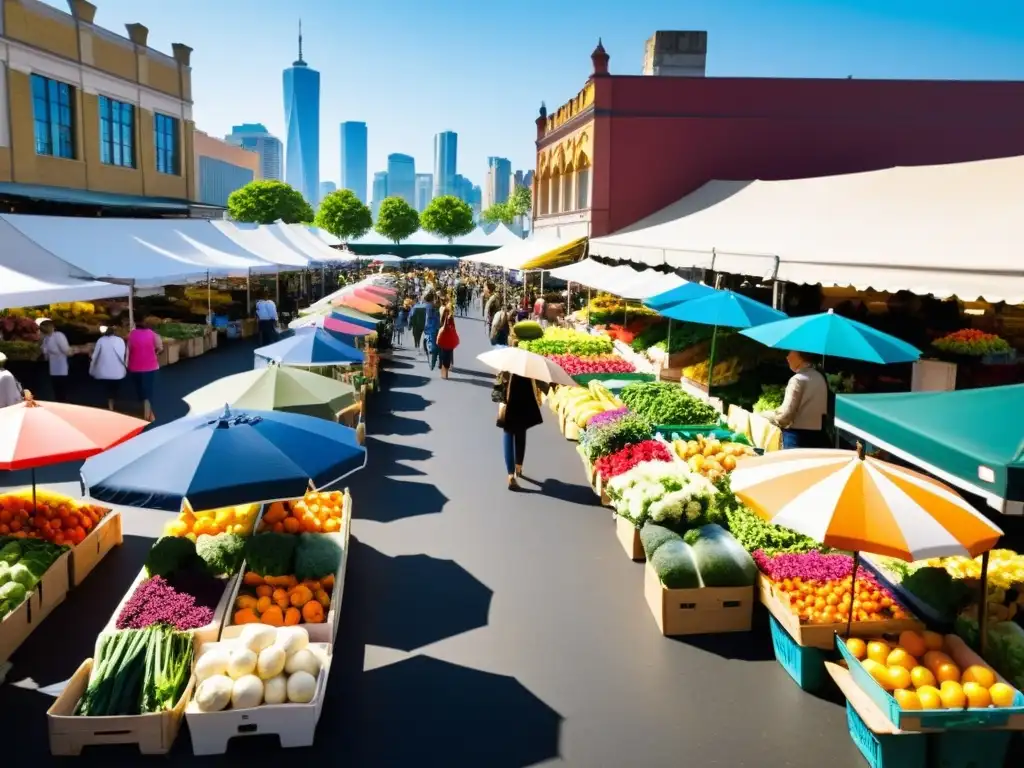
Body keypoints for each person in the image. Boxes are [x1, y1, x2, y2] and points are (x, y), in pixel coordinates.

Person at [764, 349, 829, 449]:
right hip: (819, 437)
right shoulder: (820, 376)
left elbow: (785, 416)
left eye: (790, 352)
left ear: (800, 356)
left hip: (797, 439)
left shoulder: (797, 379)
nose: (787, 357)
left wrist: (766, 416)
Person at [493, 371, 543, 490]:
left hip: (509, 394)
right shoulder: (528, 361)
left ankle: (511, 475)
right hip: (525, 395)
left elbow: (500, 376)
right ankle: (518, 467)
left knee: (508, 432)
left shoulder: (508, 359)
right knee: (521, 429)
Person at [127, 320, 163, 422]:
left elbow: (129, 348)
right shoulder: (153, 334)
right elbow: (160, 348)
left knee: (140, 388)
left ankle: (147, 412)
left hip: (134, 366)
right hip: (150, 365)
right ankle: (148, 414)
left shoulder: (131, 334)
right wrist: (155, 353)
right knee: (148, 389)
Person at [89, 325, 128, 411]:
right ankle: (113, 404)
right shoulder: (119, 340)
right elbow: (123, 354)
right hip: (118, 372)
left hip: (103, 372)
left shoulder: (101, 340)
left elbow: (95, 356)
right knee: (114, 388)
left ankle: (110, 405)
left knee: (107, 388)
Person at [38, 319, 70, 401]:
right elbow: (66, 350)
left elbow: (65, 350)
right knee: (59, 389)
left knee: (59, 389)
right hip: (56, 367)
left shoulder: (54, 337)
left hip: (57, 367)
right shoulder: (50, 338)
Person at [435, 300, 459, 379]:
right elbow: (453, 328)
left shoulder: (446, 316)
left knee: (443, 354)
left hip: (444, 338)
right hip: (448, 338)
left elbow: (441, 325)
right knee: (447, 354)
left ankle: (444, 372)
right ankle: (446, 371)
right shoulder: (450, 317)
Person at [423, 292, 442, 369]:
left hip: (431, 327)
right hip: (434, 327)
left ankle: (433, 363)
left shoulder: (428, 306)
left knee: (434, 344)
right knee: (437, 345)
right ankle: (435, 362)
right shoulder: (432, 307)